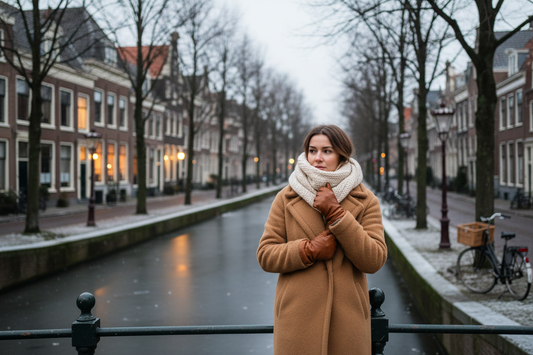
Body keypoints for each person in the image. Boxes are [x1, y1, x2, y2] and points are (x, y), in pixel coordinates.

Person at [257, 125, 387, 355]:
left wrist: (338, 215)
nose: (317, 158)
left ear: (341, 155)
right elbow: (266, 255)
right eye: (312, 150)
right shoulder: (285, 198)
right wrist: (308, 250)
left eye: (327, 151)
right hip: (296, 321)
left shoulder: (366, 200)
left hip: (348, 323)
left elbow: (374, 260)